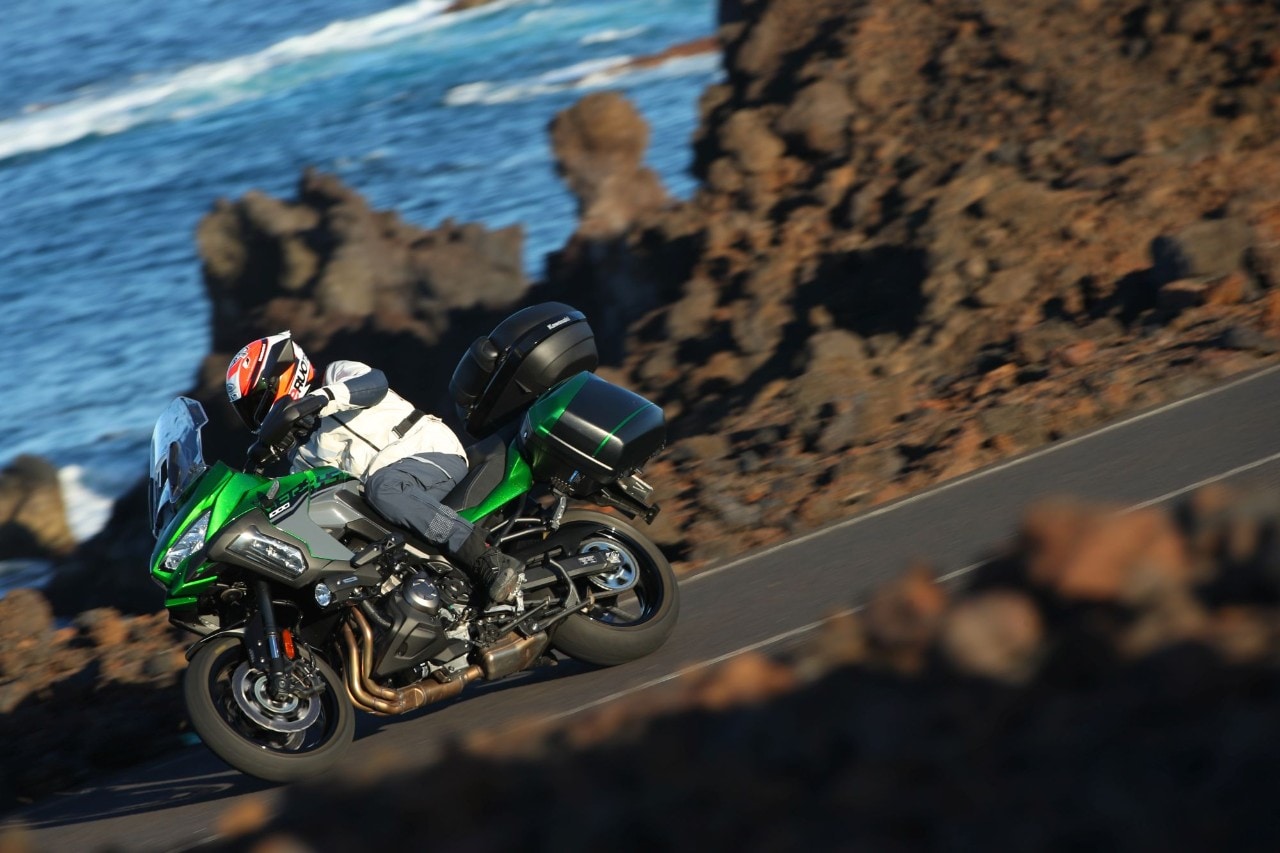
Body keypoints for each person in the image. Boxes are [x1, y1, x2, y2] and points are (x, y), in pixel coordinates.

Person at [224, 330, 522, 604]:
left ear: (280, 375)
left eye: (259, 402)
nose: (261, 415)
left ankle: (483, 557)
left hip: (432, 454)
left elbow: (374, 384)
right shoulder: (303, 455)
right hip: (394, 501)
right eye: (251, 410)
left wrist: (316, 401)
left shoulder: (335, 375)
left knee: (384, 488)